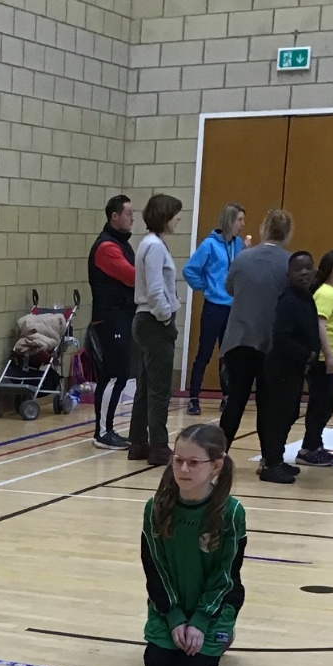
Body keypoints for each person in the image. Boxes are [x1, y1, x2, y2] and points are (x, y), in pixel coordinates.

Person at [141, 422, 246, 666]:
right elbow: (155, 569)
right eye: (178, 461)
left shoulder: (231, 512)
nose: (183, 469)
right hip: (170, 602)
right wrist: (174, 617)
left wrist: (200, 620)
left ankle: (224, 631)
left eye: (194, 463)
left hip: (214, 604)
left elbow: (226, 574)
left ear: (216, 466)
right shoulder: (156, 508)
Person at [218, 208, 292, 449]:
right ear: (287, 233)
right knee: (267, 403)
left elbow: (229, 288)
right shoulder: (289, 262)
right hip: (270, 342)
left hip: (239, 339)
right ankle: (268, 457)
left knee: (235, 400)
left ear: (264, 229)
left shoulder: (242, 257)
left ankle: (218, 454)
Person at [129, 193, 183, 468]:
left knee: (146, 386)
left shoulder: (149, 244)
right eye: (175, 215)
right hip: (153, 322)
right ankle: (159, 446)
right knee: (159, 389)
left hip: (146, 322)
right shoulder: (155, 247)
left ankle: (138, 442)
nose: (178, 219)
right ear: (165, 217)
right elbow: (155, 289)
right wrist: (165, 319)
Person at [258, 251, 321, 483]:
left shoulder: (306, 297)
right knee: (279, 416)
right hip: (282, 368)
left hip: (295, 368)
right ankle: (271, 464)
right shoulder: (289, 300)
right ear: (288, 275)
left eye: (308, 267)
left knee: (290, 413)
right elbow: (282, 338)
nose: (304, 273)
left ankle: (277, 458)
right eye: (298, 269)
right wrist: (308, 354)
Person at [182, 203, 246, 415]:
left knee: (227, 354)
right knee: (205, 352)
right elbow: (190, 270)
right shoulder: (209, 244)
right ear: (230, 220)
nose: (242, 224)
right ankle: (194, 397)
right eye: (240, 220)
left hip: (232, 307)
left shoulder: (238, 244)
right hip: (214, 307)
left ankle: (227, 396)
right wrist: (206, 287)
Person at [87, 194, 136, 449]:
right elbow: (132, 277)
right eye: (128, 213)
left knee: (119, 374)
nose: (132, 218)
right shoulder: (107, 247)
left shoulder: (122, 244)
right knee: (114, 375)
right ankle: (102, 432)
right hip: (110, 319)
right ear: (114, 216)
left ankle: (107, 428)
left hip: (122, 317)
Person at [297, 250, 333, 466]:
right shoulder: (325, 294)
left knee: (326, 403)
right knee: (321, 404)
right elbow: (320, 325)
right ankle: (308, 448)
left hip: (330, 359)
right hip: (321, 360)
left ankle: (316, 444)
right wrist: (329, 355)